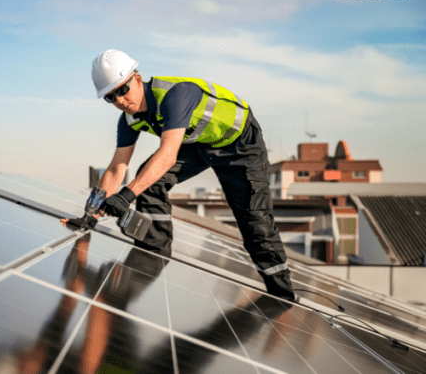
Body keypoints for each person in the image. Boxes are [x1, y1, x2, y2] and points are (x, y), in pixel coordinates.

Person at [80, 48, 297, 302]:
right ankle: (155, 248)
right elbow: (117, 168)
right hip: (200, 144)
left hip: (239, 144)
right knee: (150, 181)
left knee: (255, 223)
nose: (119, 100)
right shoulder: (128, 120)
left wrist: (126, 196)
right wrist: (90, 213)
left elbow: (168, 154)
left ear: (137, 79)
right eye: (110, 97)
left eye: (122, 90)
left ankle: (283, 296)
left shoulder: (175, 96)